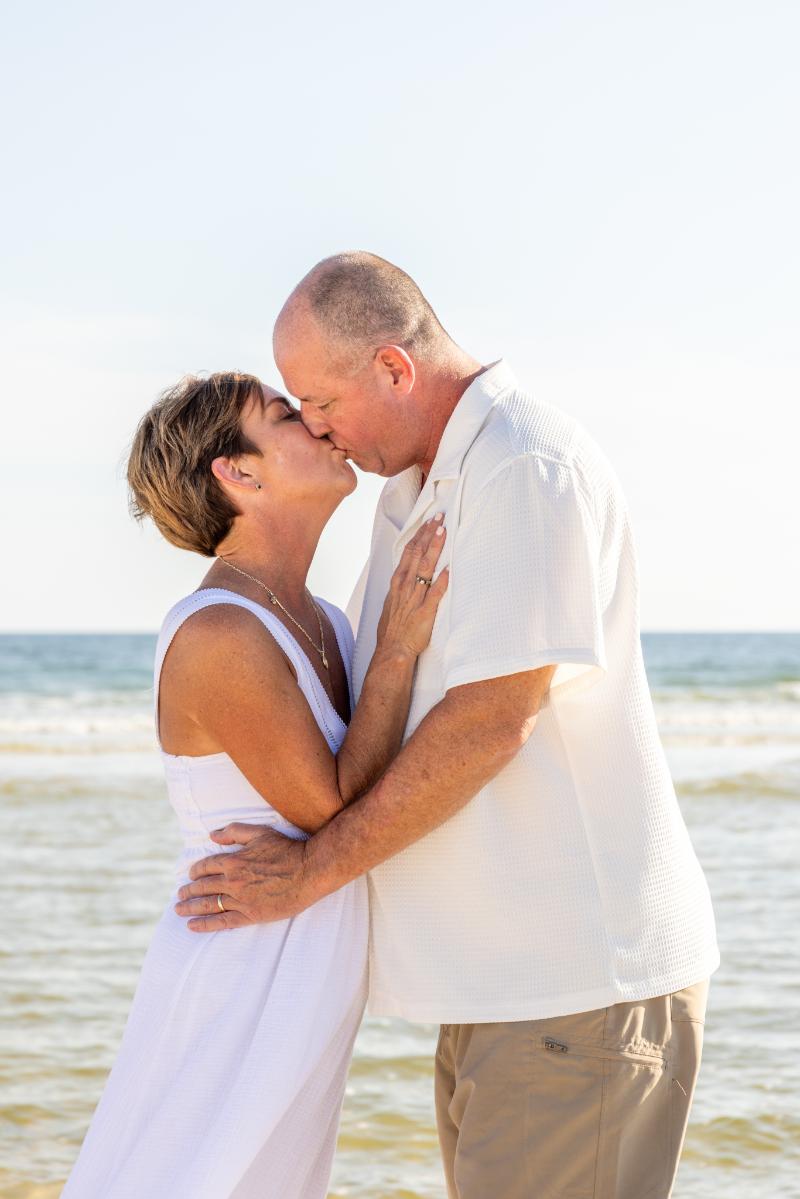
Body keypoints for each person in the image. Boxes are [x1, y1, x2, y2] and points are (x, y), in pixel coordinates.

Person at [177, 253, 721, 1199]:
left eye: (319, 399)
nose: (314, 426)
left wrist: (309, 874)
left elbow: (490, 724)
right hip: (501, 991)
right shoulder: (411, 490)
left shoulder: (522, 468)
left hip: (576, 985)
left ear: (393, 367)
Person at [61, 370, 449, 1199]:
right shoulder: (221, 633)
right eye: (284, 415)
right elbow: (337, 805)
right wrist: (397, 651)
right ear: (239, 474)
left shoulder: (325, 620)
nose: (315, 419)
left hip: (302, 964)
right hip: (240, 966)